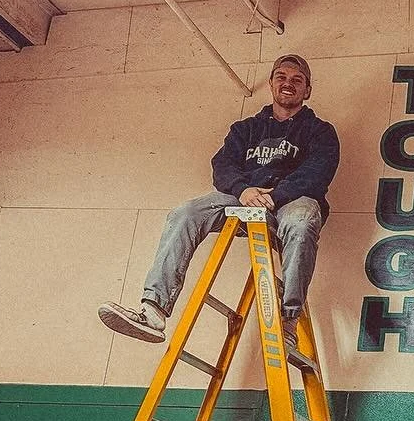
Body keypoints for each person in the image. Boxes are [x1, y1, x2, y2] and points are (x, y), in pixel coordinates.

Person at [98, 53, 338, 348]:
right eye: (281, 77)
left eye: (297, 80)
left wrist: (275, 196)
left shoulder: (320, 131)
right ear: (272, 84)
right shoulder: (245, 129)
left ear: (307, 90)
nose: (288, 83)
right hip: (244, 198)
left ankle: (288, 322)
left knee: (302, 222)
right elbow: (222, 165)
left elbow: (317, 172)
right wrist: (243, 191)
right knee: (186, 213)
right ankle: (153, 311)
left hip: (291, 202)